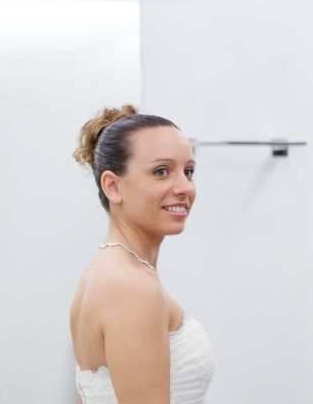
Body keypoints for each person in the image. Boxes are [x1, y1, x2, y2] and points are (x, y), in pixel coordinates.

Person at [70, 105, 215, 403]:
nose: (185, 187)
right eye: (161, 172)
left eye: (188, 171)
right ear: (113, 186)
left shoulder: (109, 270)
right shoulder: (129, 285)